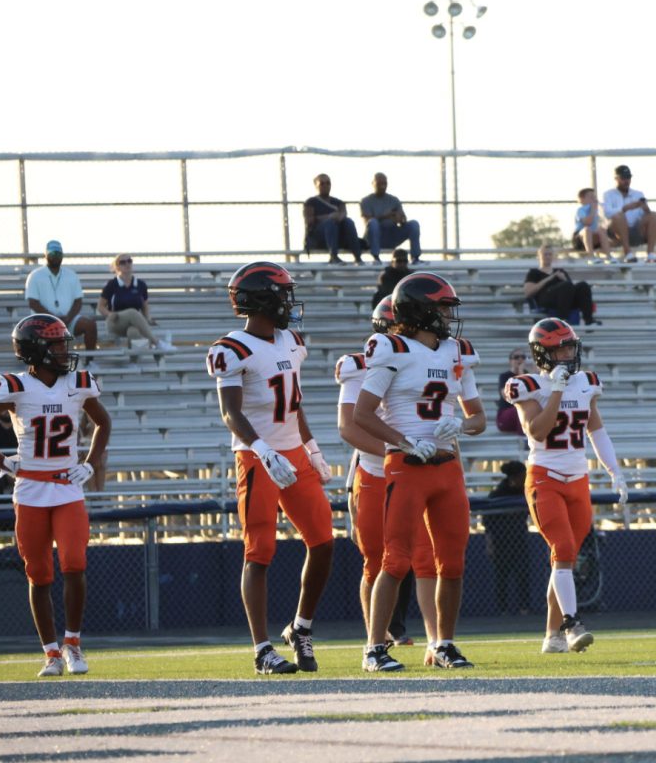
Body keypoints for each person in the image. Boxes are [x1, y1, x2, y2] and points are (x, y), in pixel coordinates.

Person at [0, 314, 111, 677]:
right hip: (28, 489)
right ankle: (51, 652)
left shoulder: (79, 382)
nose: (64, 351)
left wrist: (89, 463)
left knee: (74, 564)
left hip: (67, 485)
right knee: (38, 574)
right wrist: (2, 461)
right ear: (35, 350)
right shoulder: (13, 386)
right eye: (57, 344)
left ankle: (72, 643)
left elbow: (104, 422)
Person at [205, 262, 336, 675]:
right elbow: (231, 412)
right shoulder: (232, 349)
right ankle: (262, 649)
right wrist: (262, 450)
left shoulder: (291, 341)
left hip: (294, 453)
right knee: (259, 552)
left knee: (324, 542)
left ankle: (300, 627)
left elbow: (294, 405)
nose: (288, 302)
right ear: (261, 299)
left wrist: (311, 447)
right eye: (281, 294)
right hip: (256, 457)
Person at [353, 272, 487, 672]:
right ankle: (374, 649)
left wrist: (460, 426)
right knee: (394, 560)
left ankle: (443, 643)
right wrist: (406, 441)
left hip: (447, 468)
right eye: (442, 309)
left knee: (453, 562)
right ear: (421, 311)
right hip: (407, 465)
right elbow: (361, 415)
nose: (448, 317)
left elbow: (479, 417)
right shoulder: (390, 347)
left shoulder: (455, 352)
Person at [506, 318, 628, 653]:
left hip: (578, 480)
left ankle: (552, 635)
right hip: (545, 477)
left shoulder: (587, 382)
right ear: (543, 353)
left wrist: (614, 469)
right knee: (561, 550)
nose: (568, 353)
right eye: (560, 347)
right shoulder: (527, 384)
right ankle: (572, 624)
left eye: (570, 346)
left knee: (567, 559)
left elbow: (596, 430)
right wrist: (557, 390)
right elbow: (537, 432)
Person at [336, 296, 445, 667]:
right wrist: (395, 450)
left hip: (416, 468)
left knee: (426, 559)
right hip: (375, 471)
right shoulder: (359, 366)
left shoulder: (425, 360)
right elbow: (349, 426)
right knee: (376, 561)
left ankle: (437, 641)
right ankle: (376, 640)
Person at [24, 240, 98, 351]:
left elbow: (78, 301)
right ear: (46, 255)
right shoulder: (35, 276)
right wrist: (53, 319)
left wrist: (68, 318)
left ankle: (90, 362)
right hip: (44, 321)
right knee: (55, 343)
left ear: (62, 256)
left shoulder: (71, 275)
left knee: (90, 325)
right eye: (52, 254)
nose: (55, 257)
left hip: (69, 319)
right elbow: (33, 303)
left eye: (58, 254)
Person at [480, 460, 531, 616]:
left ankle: (524, 607)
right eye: (522, 476)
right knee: (501, 576)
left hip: (520, 539)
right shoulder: (497, 494)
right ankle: (503, 609)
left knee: (523, 574)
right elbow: (487, 523)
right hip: (500, 542)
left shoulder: (525, 492)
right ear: (514, 477)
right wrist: (490, 544)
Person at [97, 254, 175, 351]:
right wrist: (109, 314)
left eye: (129, 261)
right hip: (115, 321)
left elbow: (144, 306)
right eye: (122, 262)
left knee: (133, 332)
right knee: (132, 312)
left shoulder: (140, 284)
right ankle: (157, 343)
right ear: (117, 267)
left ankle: (133, 362)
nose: (127, 264)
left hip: (134, 322)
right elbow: (100, 307)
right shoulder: (112, 284)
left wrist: (148, 318)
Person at [523, 244, 599, 326]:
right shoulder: (534, 272)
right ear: (539, 256)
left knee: (583, 285)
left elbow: (571, 288)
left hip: (565, 300)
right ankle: (563, 320)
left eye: (550, 254)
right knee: (565, 286)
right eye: (545, 254)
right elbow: (528, 292)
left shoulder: (560, 271)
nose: (548, 257)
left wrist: (564, 279)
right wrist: (550, 278)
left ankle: (589, 320)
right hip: (546, 299)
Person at [601, 164, 656, 263]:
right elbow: (607, 213)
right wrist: (624, 208)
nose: (626, 181)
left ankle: (650, 253)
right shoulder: (608, 194)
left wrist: (645, 208)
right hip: (616, 233)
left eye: (628, 177)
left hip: (635, 230)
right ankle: (628, 253)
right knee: (618, 215)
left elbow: (645, 216)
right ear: (616, 178)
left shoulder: (638, 194)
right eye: (623, 178)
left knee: (654, 215)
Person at [361, 172, 422, 265]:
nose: (382, 186)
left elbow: (403, 219)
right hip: (375, 237)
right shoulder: (366, 201)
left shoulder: (394, 200)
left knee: (414, 224)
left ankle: (415, 258)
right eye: (379, 183)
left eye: (384, 183)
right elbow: (367, 221)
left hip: (392, 234)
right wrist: (385, 216)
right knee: (373, 223)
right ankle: (376, 258)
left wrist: (400, 219)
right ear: (373, 184)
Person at [304, 173, 364, 265]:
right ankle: (334, 256)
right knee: (330, 223)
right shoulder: (311, 202)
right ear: (316, 185)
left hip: (338, 236)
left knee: (349, 222)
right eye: (322, 183)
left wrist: (338, 217)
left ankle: (357, 257)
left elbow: (343, 213)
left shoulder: (338, 202)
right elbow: (309, 220)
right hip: (319, 237)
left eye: (328, 183)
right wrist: (329, 217)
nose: (325, 186)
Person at [573, 187, 613, 262]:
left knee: (601, 229)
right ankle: (591, 257)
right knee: (587, 229)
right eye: (591, 197)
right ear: (582, 199)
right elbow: (588, 222)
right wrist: (593, 210)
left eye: (594, 197)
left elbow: (605, 222)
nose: (594, 199)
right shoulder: (580, 210)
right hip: (580, 239)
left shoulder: (598, 210)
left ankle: (609, 256)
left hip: (593, 238)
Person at [496, 348, 529, 434]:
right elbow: (506, 395)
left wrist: (521, 373)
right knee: (520, 409)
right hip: (506, 417)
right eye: (516, 357)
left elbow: (531, 394)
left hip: (523, 417)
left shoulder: (528, 376)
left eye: (523, 357)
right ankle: (524, 440)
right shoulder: (504, 376)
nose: (520, 359)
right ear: (510, 361)